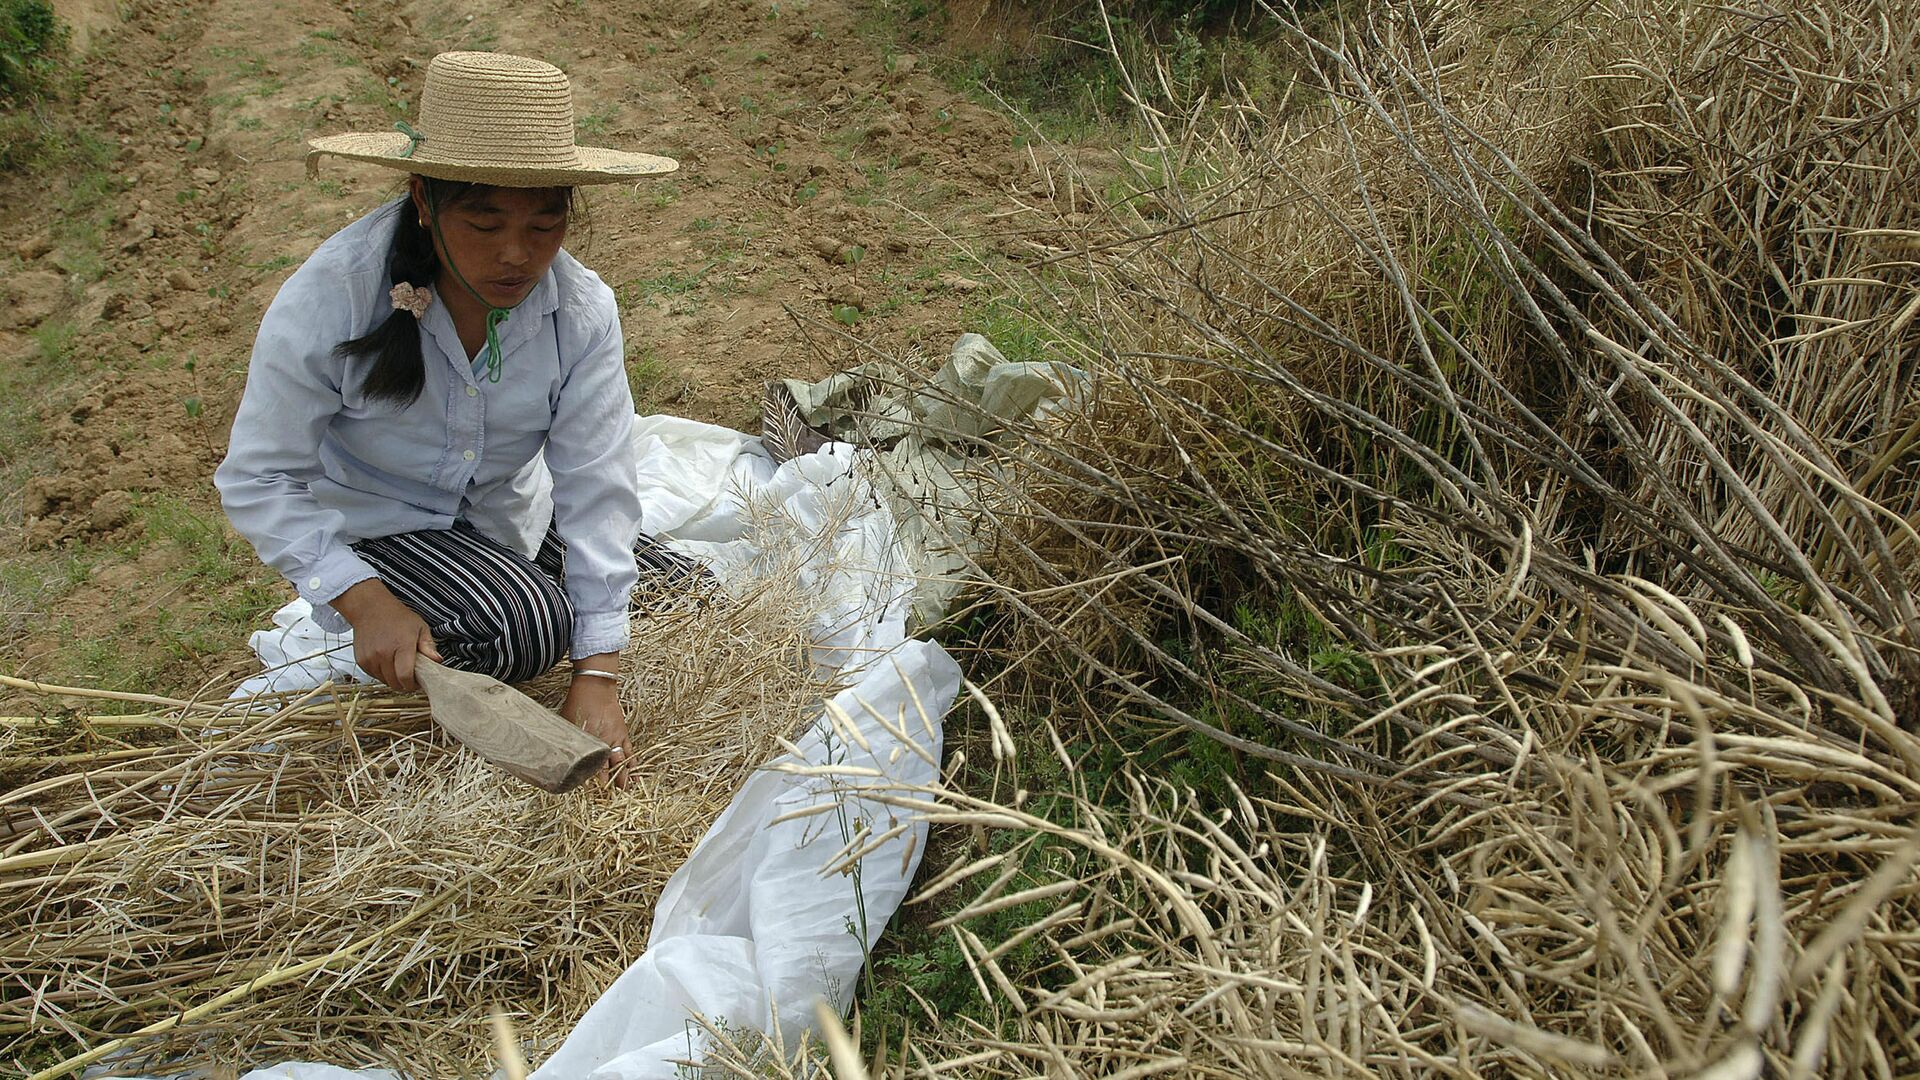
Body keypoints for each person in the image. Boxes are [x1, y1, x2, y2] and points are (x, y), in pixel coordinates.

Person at [216, 51, 691, 785]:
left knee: (681, 598)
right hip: (378, 525)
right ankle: (400, 616)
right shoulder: (336, 293)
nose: (515, 254)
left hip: (506, 512)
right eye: (483, 221)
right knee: (526, 627)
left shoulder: (582, 309)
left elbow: (596, 485)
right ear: (423, 200)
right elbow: (258, 478)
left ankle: (515, 589)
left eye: (544, 224)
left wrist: (598, 677)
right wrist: (363, 600)